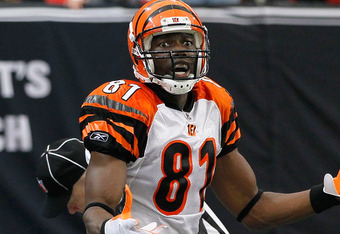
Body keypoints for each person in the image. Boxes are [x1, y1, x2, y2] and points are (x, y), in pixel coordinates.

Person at [79, 0, 340, 233]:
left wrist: (331, 193)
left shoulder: (214, 101)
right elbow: (96, 211)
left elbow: (253, 209)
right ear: (139, 51)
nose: (180, 50)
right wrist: (111, 229)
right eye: (165, 42)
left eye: (187, 41)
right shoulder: (124, 105)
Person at [36, 137, 229, 233]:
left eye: (67, 197)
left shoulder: (143, 183)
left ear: (89, 176)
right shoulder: (113, 212)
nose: (70, 209)